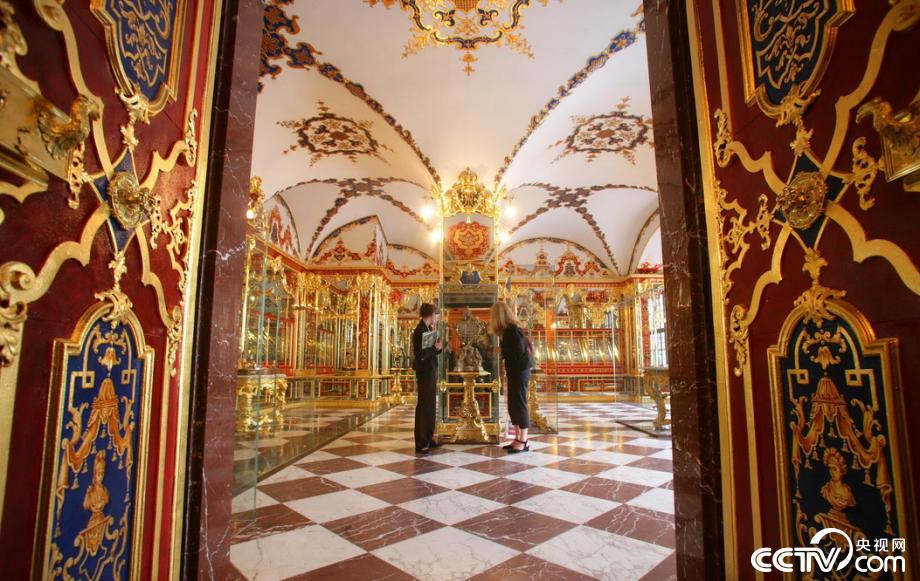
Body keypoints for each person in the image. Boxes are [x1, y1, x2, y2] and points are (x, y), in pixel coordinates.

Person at [490, 301, 533, 453]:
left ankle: (524, 440)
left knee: (519, 403)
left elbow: (518, 352)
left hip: (520, 371)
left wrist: (501, 350)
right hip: (515, 371)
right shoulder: (507, 331)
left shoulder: (513, 330)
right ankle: (517, 437)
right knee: (513, 403)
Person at [412, 302, 442, 453]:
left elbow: (431, 352)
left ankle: (429, 438)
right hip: (424, 371)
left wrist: (438, 348)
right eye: (436, 315)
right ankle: (421, 441)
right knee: (424, 405)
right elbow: (420, 355)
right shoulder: (419, 331)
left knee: (430, 404)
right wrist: (434, 349)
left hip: (430, 370)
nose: (437, 318)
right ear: (432, 315)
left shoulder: (428, 329)